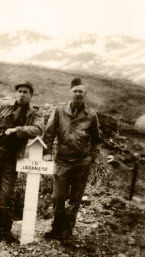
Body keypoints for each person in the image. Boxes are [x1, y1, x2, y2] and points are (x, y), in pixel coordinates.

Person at [0, 81, 44, 244]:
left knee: (5, 195)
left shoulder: (35, 112)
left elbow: (38, 130)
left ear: (31, 95)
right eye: (20, 91)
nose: (22, 94)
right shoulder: (4, 104)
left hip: (12, 156)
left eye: (26, 92)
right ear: (16, 93)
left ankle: (6, 230)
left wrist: (18, 130)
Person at [43, 78, 100, 245]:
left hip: (82, 162)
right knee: (58, 196)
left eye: (80, 91)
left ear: (85, 94)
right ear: (70, 92)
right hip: (62, 160)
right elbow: (49, 133)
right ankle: (56, 228)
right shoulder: (60, 110)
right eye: (75, 91)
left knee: (75, 198)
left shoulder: (91, 115)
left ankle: (67, 233)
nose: (77, 94)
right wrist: (47, 153)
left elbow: (96, 139)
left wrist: (92, 158)